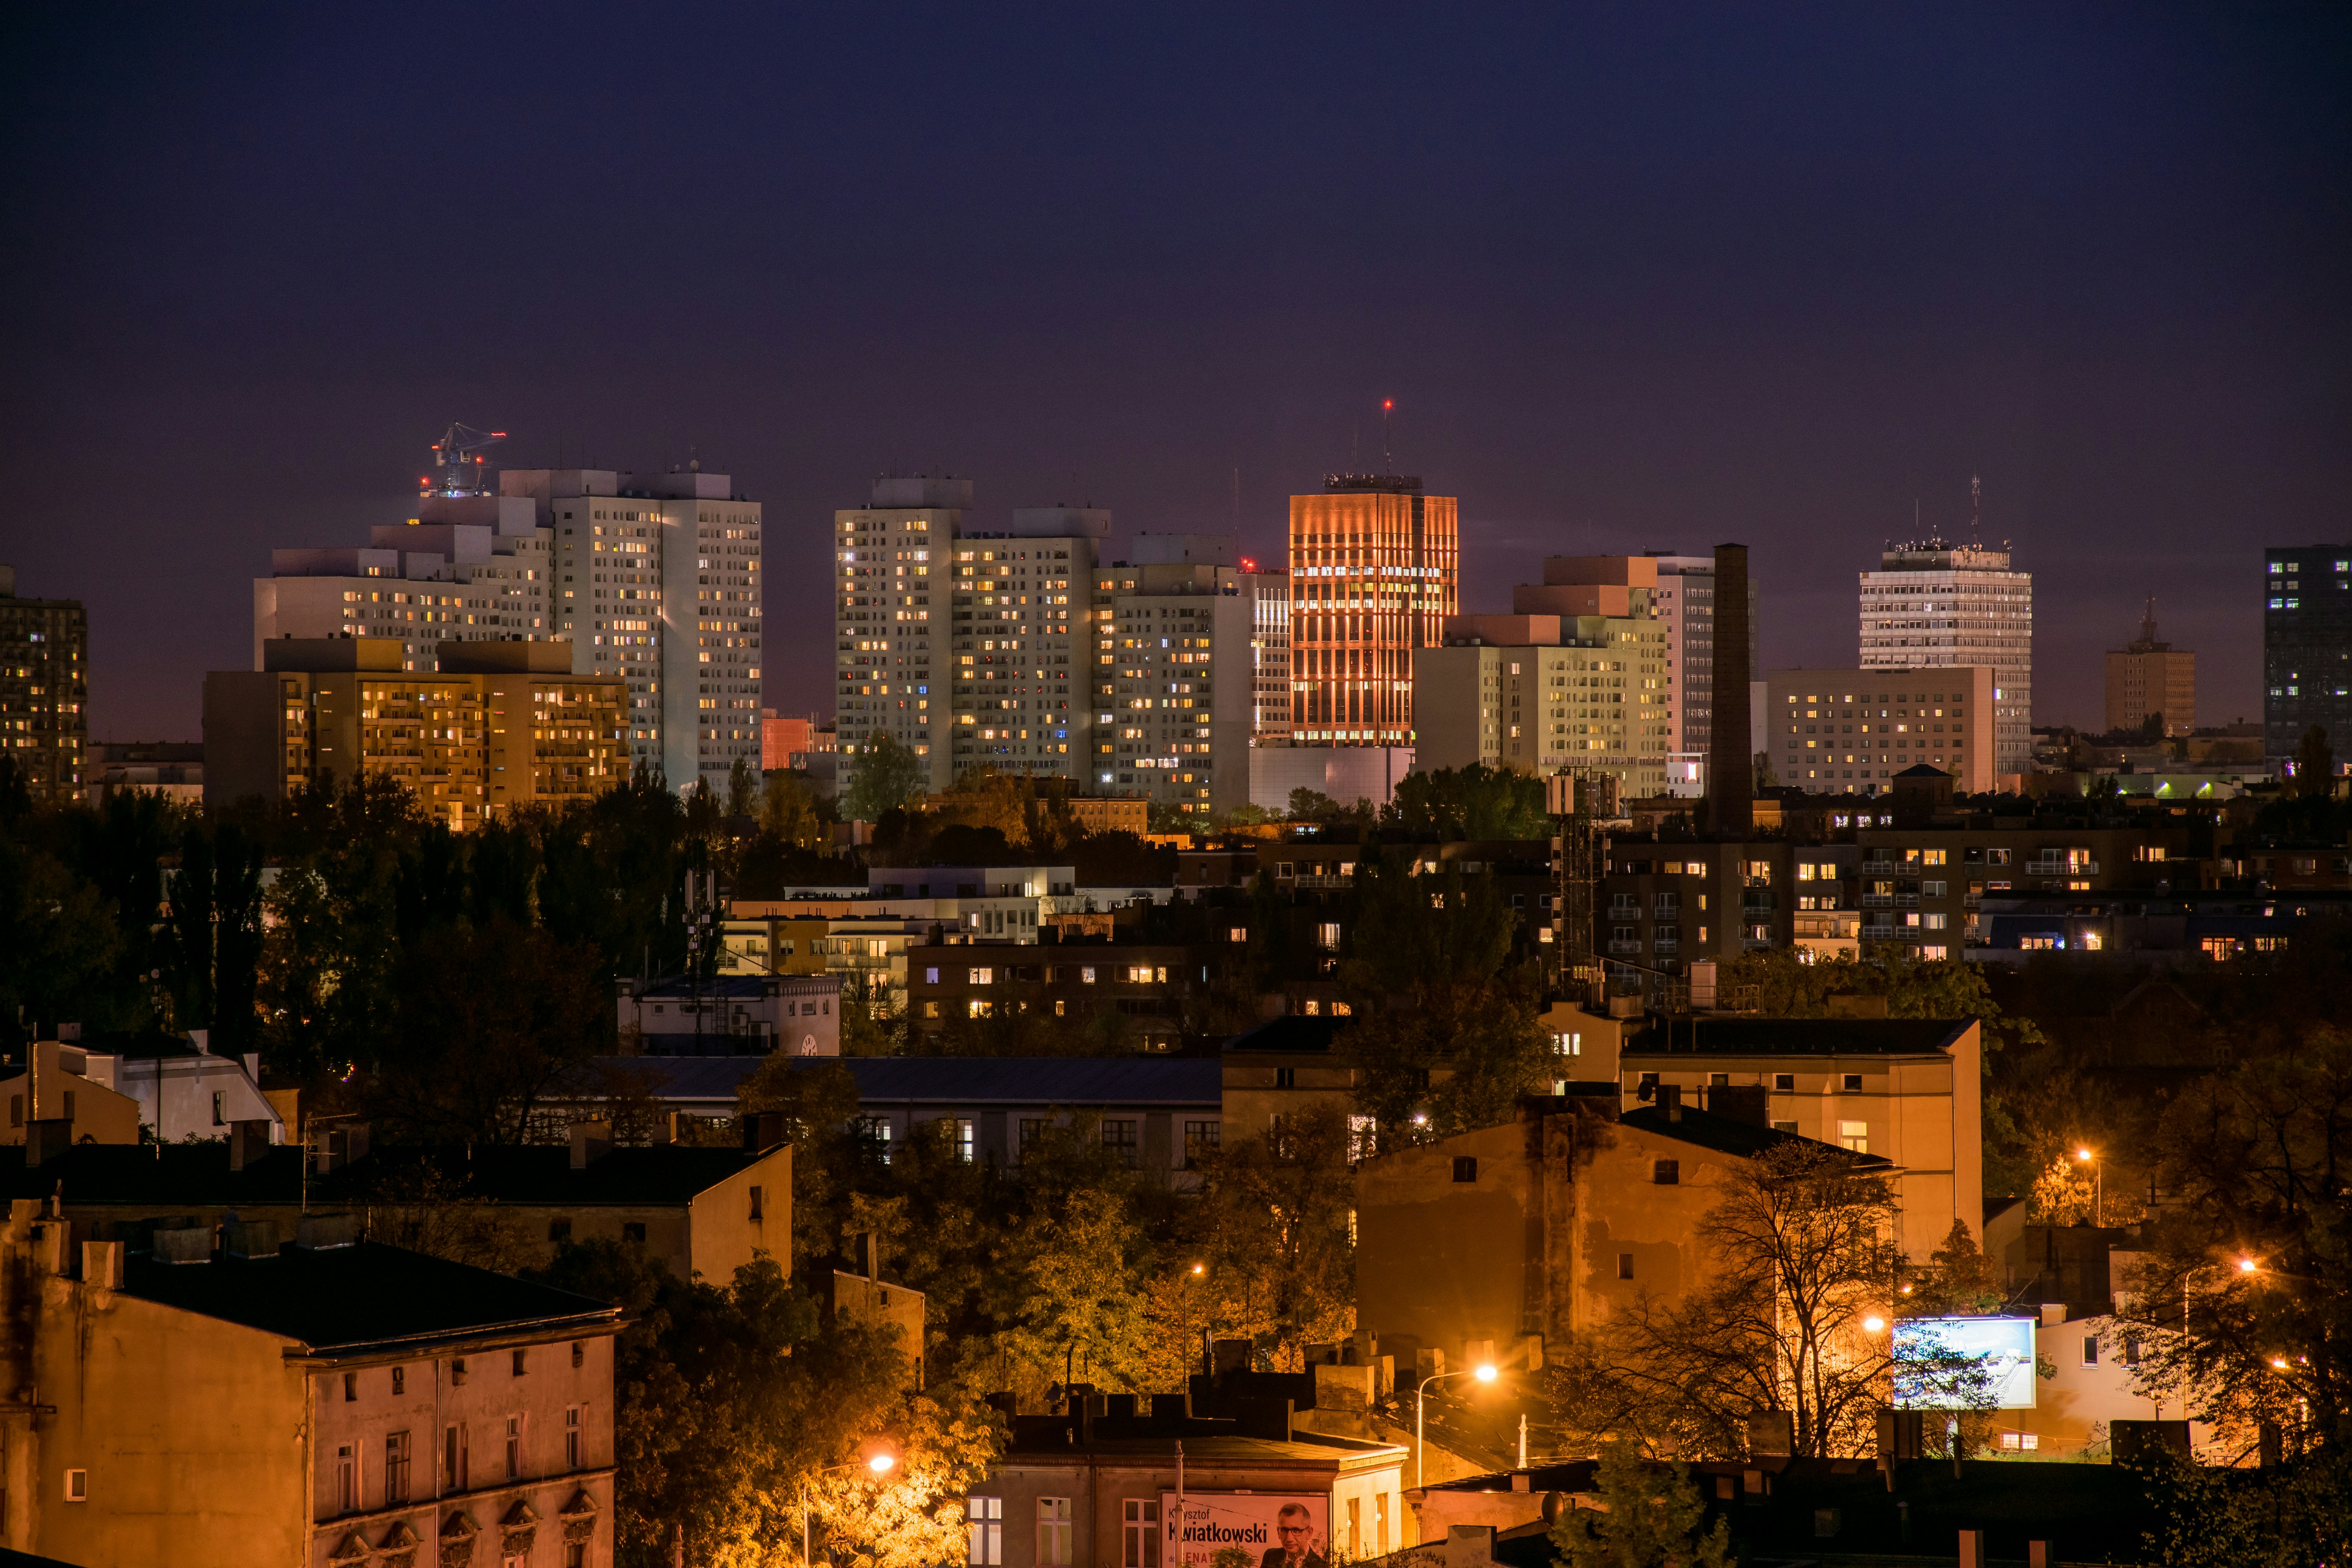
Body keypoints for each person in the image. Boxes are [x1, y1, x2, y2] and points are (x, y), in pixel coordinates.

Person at [1258, 1504, 1326, 1568]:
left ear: (1309, 1533)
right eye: (1284, 1530)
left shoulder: (1322, 1566)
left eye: (1296, 1530)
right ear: (1278, 1532)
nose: (1289, 1539)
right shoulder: (1270, 1556)